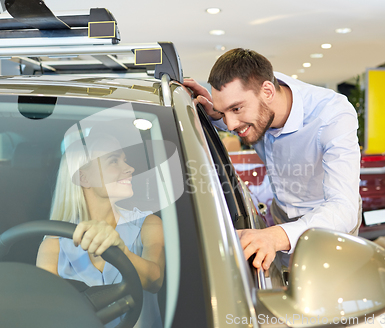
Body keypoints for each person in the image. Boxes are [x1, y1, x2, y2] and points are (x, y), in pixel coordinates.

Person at [183, 48, 361, 271]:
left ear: (267, 91)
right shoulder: (259, 101)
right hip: (281, 217)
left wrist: (275, 237)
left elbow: (344, 209)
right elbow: (237, 121)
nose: (229, 125)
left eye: (236, 108)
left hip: (327, 224)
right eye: (224, 113)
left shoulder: (332, 115)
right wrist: (213, 112)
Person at [36, 130, 164, 328]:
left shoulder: (148, 223)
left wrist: (120, 250)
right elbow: (46, 315)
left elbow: (154, 280)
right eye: (114, 161)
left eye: (125, 160)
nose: (129, 168)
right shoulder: (53, 245)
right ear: (84, 178)